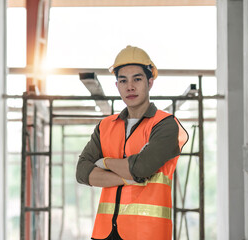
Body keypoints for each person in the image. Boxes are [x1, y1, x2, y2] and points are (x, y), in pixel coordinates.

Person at [76, 46, 189, 240]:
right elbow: (82, 172)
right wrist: (126, 177)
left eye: (137, 79)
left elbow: (140, 168)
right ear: (117, 85)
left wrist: (105, 162)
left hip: (147, 233)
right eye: (123, 80)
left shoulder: (165, 124)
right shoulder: (105, 126)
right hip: (104, 233)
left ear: (150, 82)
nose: (130, 86)